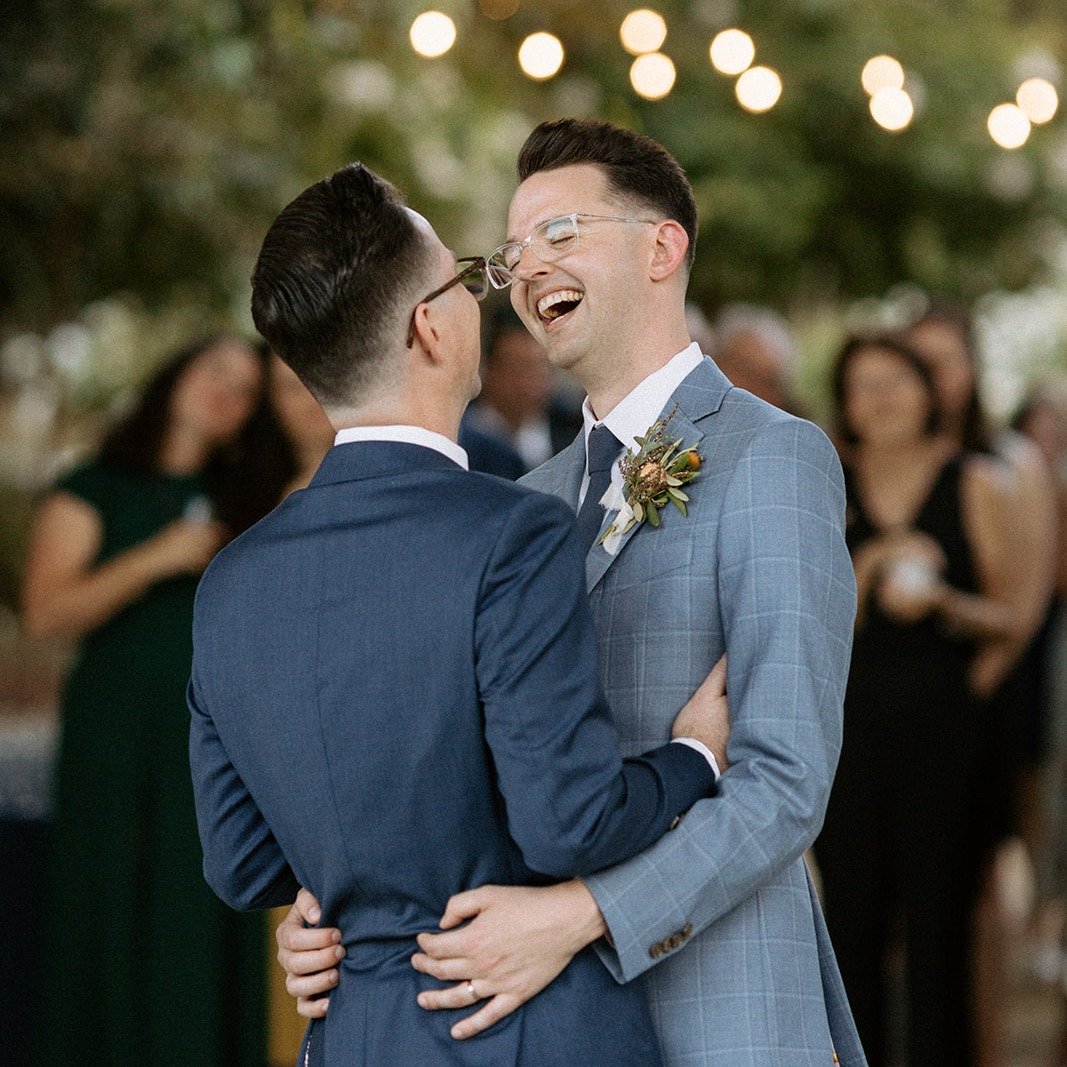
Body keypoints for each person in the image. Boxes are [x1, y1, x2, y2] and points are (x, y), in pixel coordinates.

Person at [278, 118, 863, 1064]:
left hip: (721, 1009)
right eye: (511, 255)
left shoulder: (773, 456)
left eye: (560, 233)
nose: (526, 269)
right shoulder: (517, 502)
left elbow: (786, 783)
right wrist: (334, 914)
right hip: (545, 1027)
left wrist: (579, 916)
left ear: (663, 246)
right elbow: (457, 778)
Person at [189, 161, 730, 1065]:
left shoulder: (233, 578)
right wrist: (692, 757)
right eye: (467, 276)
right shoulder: (511, 532)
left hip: (352, 1030)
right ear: (429, 326)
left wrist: (353, 896)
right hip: (518, 1026)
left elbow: (242, 862)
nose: (489, 294)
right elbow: (570, 824)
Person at [22, 335, 290, 1066]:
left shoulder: (250, 499)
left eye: (245, 390)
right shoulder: (96, 484)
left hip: (211, 743)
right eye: (215, 372)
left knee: (199, 905)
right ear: (174, 373)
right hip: (115, 735)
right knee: (108, 899)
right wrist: (157, 556)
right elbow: (46, 612)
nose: (226, 393)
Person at [813, 333, 1015, 1065]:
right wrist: (866, 571)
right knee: (852, 933)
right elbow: (804, 620)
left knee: (940, 940)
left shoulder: (974, 481)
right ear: (846, 406)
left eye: (896, 379)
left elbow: (1010, 615)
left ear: (927, 391)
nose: (881, 396)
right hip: (849, 741)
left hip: (944, 740)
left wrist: (944, 600)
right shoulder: (822, 483)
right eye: (863, 384)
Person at [904, 302, 1056, 1065]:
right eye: (918, 361)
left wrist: (968, 693)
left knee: (981, 886)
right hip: (902, 704)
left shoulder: (1008, 459)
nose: (933, 378)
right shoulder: (880, 454)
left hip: (987, 694)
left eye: (945, 362)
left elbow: (1026, 597)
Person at [463, 304, 582, 471]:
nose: (530, 383)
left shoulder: (572, 431)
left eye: (540, 367)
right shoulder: (458, 436)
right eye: (519, 368)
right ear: (489, 368)